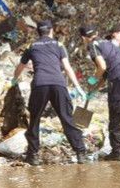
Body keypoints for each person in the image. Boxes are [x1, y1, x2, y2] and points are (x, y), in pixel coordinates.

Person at [13, 20, 88, 166]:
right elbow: (67, 67)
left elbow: (20, 67)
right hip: (58, 84)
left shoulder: (32, 46)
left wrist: (14, 80)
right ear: (51, 31)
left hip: (40, 84)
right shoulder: (59, 45)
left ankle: (33, 155)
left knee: (35, 120)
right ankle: (80, 152)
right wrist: (78, 87)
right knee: (67, 119)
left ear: (38, 32)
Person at [79, 25, 120, 160]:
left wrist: (92, 79)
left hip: (119, 79)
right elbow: (106, 73)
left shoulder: (93, 45)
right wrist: (95, 90)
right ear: (96, 32)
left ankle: (117, 151)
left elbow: (102, 67)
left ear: (84, 38)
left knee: (116, 113)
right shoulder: (109, 43)